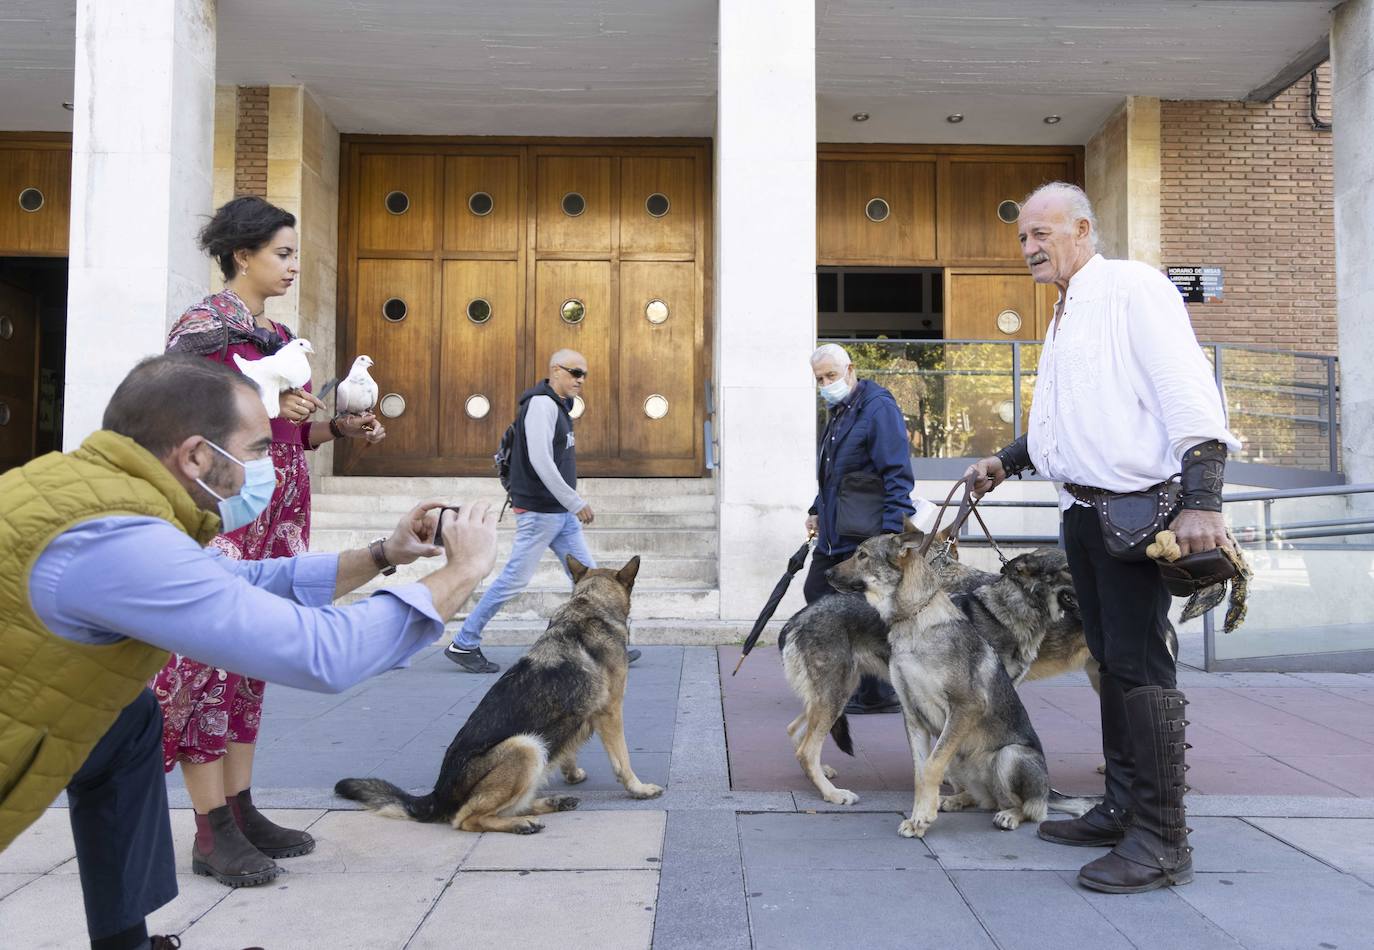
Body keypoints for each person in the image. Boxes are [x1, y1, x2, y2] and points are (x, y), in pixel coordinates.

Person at [0, 354, 497, 950]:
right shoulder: (118, 538)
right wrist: (461, 573)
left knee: (129, 724)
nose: (271, 468)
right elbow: (324, 654)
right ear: (195, 456)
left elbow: (245, 583)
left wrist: (383, 554)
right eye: (259, 450)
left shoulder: (97, 493)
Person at [966, 182, 1239, 894]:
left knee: (1143, 669)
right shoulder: (1068, 308)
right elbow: (1071, 418)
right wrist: (1007, 460)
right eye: (1023, 237)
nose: (1029, 248)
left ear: (1083, 228)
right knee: (1114, 665)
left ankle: (1161, 838)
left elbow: (1188, 391)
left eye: (1041, 234)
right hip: (1085, 518)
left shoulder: (1132, 289)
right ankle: (1121, 807)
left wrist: (1203, 499)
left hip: (1137, 514)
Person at [150, 196, 386, 887]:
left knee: (253, 656)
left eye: (291, 254)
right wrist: (259, 409)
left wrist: (338, 428)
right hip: (225, 514)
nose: (290, 266)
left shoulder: (275, 334)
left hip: (279, 515)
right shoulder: (201, 329)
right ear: (242, 254)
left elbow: (292, 434)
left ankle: (241, 807)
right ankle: (209, 829)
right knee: (206, 663)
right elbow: (182, 426)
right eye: (281, 253)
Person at [444, 349, 640, 673]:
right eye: (575, 372)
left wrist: (567, 505)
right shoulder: (541, 405)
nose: (581, 379)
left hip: (557, 513)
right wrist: (575, 502)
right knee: (513, 580)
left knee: (590, 577)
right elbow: (540, 461)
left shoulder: (559, 407)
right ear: (555, 371)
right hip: (539, 511)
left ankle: (609, 643)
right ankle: (464, 642)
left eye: (584, 374)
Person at [804, 343, 916, 714]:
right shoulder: (839, 412)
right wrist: (816, 509)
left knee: (860, 608)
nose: (825, 384)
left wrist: (889, 539)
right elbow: (834, 475)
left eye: (831, 376)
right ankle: (855, 680)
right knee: (817, 591)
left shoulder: (877, 408)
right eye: (820, 379)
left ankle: (876, 691)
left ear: (850, 370)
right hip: (836, 530)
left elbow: (897, 474)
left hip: (864, 534)